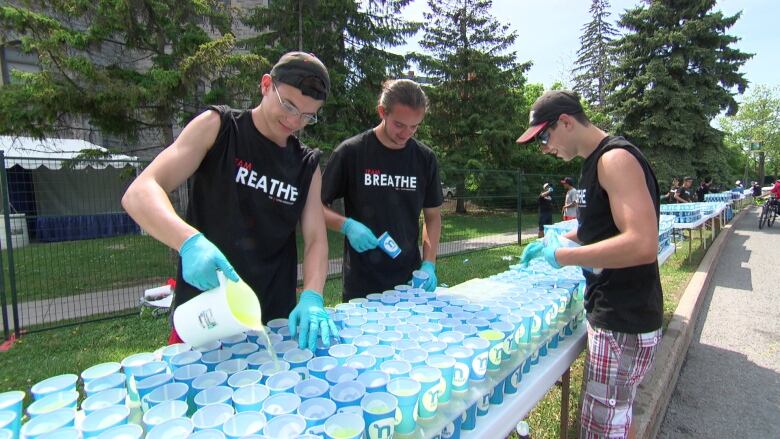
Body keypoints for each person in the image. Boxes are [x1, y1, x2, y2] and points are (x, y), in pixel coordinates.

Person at [122, 52, 338, 351]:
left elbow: (315, 239)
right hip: (205, 313)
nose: (293, 121)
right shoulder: (219, 127)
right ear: (265, 85)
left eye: (307, 116)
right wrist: (189, 241)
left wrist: (313, 295)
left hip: (271, 319)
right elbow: (141, 191)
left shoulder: (306, 165)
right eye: (288, 105)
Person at [516, 90, 663, 439]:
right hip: (611, 308)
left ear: (565, 122)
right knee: (614, 417)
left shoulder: (614, 159)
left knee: (602, 427)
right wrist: (553, 243)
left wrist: (562, 257)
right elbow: (594, 229)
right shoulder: (592, 164)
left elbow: (642, 244)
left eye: (545, 137)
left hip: (624, 314)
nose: (545, 148)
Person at [321, 79, 443, 300]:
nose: (406, 134)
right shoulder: (352, 152)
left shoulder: (425, 159)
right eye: (399, 124)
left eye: (414, 126)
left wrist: (428, 264)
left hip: (409, 279)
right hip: (362, 281)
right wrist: (347, 226)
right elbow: (315, 207)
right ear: (382, 112)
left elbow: (433, 217)